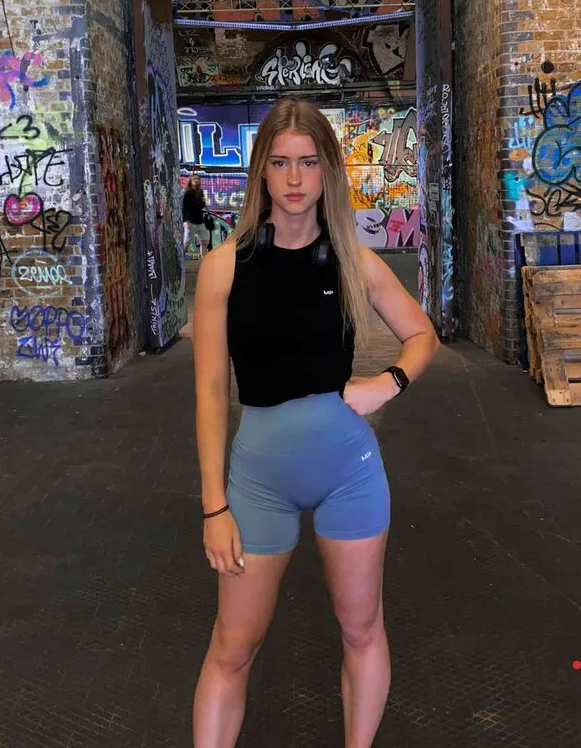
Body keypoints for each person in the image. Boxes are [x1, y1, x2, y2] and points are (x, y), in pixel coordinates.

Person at [191, 98, 440, 748]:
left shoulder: (355, 261)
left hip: (349, 474)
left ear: (327, 169)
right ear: (262, 172)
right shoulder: (224, 268)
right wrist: (214, 505)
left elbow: (422, 335)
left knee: (361, 628)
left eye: (307, 162)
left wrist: (386, 384)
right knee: (233, 646)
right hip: (258, 483)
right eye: (280, 163)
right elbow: (211, 393)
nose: (295, 178)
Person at [182, 174, 209, 258]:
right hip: (191, 222)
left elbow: (202, 206)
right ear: (191, 181)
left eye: (198, 179)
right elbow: (184, 208)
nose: (196, 180)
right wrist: (186, 221)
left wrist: (202, 202)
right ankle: (180, 261)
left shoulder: (200, 192)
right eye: (194, 179)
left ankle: (204, 261)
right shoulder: (187, 193)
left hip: (200, 221)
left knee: (204, 242)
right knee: (186, 243)